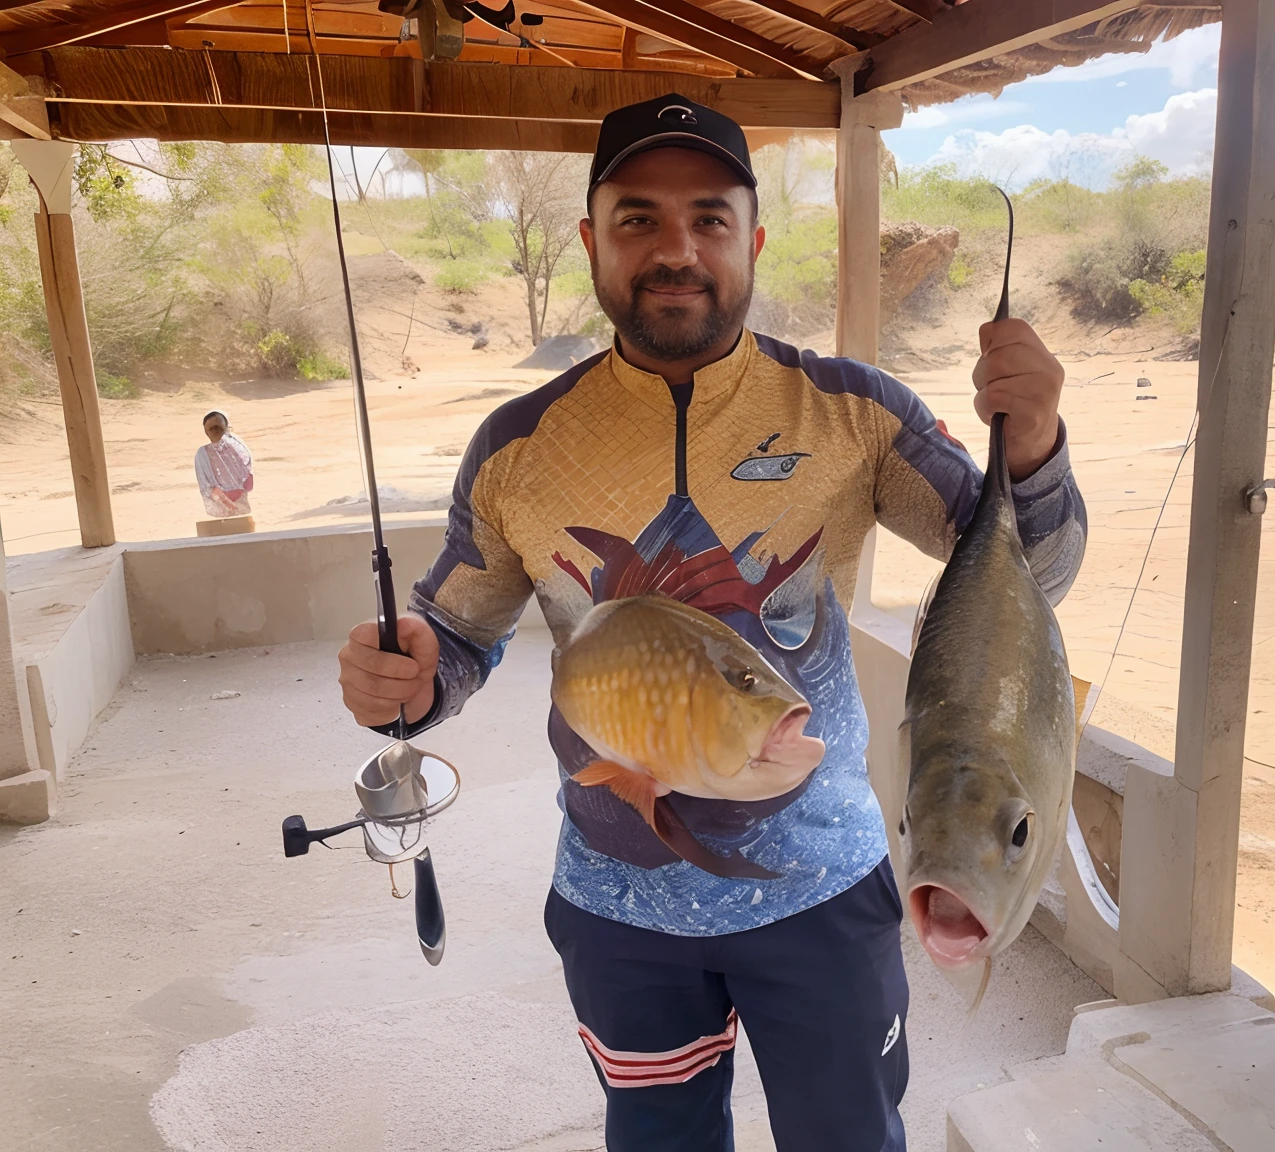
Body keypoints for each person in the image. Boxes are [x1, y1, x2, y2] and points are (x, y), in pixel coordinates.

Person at [337, 95, 1086, 1152]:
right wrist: (410, 680)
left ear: (753, 239)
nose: (676, 249)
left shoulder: (857, 413)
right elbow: (456, 634)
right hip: (617, 912)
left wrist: (1037, 441)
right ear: (592, 240)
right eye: (638, 218)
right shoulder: (516, 445)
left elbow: (1029, 576)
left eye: (710, 218)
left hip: (825, 894)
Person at [194, 409, 255, 518]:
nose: (214, 430)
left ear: (225, 426)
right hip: (218, 500)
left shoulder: (235, 445)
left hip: (239, 497)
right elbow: (205, 483)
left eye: (217, 427)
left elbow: (247, 473)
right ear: (206, 431)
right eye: (210, 428)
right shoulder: (202, 454)